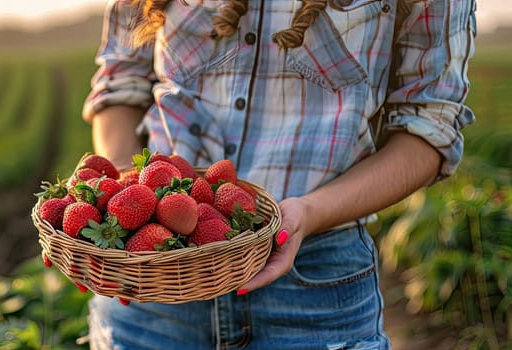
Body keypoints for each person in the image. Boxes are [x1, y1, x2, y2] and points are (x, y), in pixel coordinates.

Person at [83, 0, 476, 348]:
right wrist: (122, 204)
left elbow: (428, 128)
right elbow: (122, 82)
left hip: (314, 287)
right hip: (154, 288)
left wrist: (310, 212)